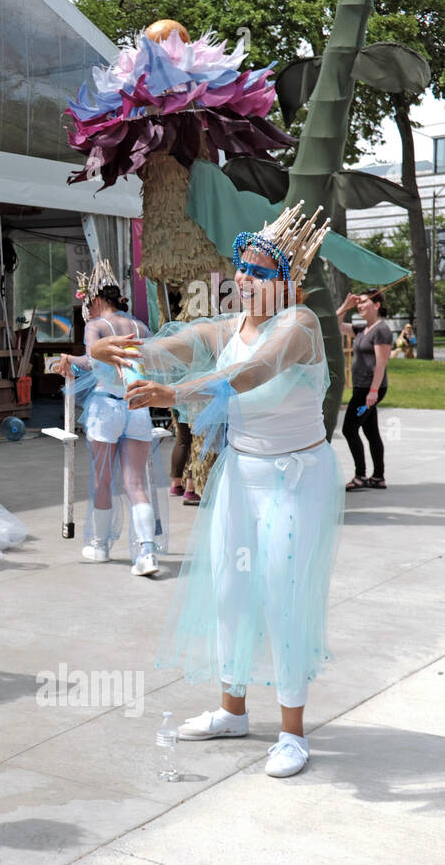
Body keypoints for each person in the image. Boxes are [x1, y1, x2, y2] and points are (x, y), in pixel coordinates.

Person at [92, 202, 342, 778]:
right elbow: (164, 350)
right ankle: (233, 709)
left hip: (295, 478)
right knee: (230, 587)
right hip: (243, 475)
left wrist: (174, 395)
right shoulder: (229, 327)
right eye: (244, 269)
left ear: (289, 281)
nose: (248, 280)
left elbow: (252, 374)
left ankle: (292, 732)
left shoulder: (299, 326)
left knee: (283, 593)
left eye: (262, 271)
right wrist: (110, 350)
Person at [58, 260, 165, 577]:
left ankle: (101, 546)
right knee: (135, 482)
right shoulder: (139, 327)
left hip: (106, 406)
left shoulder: (96, 327)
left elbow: (93, 360)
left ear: (96, 300)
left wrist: (68, 359)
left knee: (102, 479)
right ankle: (147, 552)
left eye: (87, 304)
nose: (87, 311)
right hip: (136, 405)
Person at [337, 289, 393, 490]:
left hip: (368, 389)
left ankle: (360, 475)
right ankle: (378, 477)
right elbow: (333, 325)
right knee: (371, 432)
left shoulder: (381, 330)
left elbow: (381, 363)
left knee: (349, 429)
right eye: (358, 303)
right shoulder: (362, 329)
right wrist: (346, 306)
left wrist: (373, 392)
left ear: (376, 305)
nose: (359, 306)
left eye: (363, 302)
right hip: (362, 388)